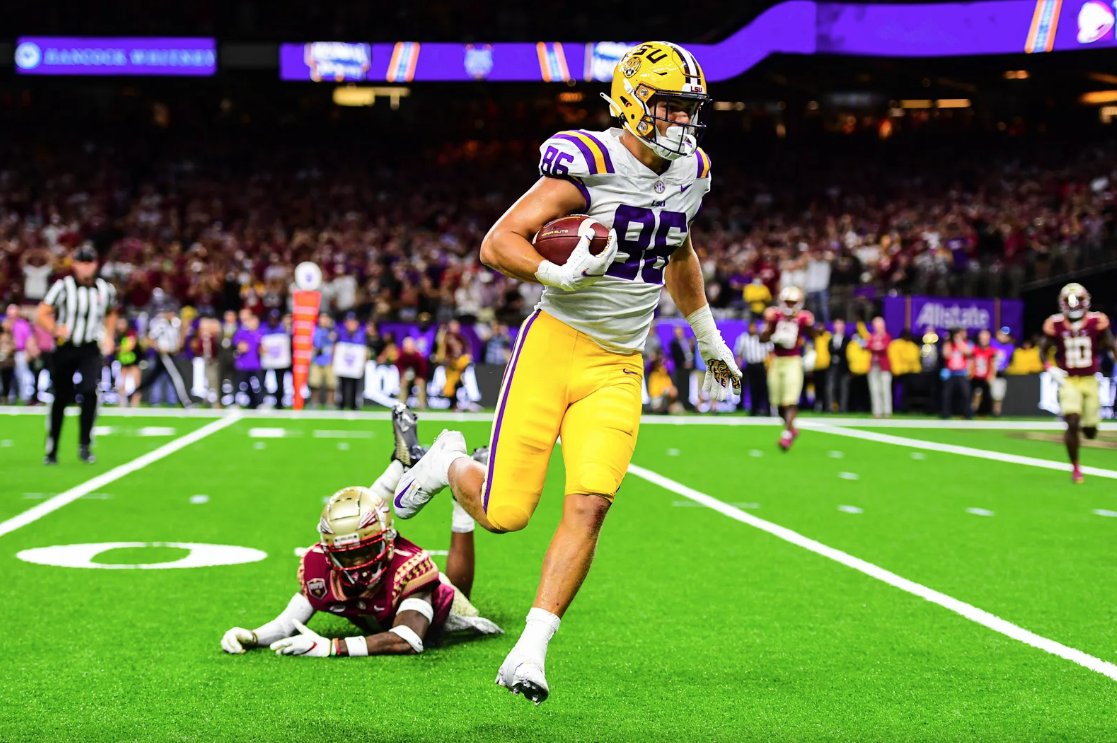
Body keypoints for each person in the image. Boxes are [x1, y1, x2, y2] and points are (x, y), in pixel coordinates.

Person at [391, 41, 739, 704]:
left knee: (591, 501)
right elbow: (498, 242)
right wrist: (554, 271)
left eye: (688, 108)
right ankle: (446, 463)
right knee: (504, 513)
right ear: (633, 100)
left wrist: (708, 336)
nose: (680, 122)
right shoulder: (590, 161)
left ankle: (531, 648)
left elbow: (681, 252)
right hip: (555, 343)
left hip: (618, 364)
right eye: (669, 106)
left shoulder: (692, 169)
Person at [220, 407, 501, 659]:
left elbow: (408, 638)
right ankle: (399, 467)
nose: (357, 564)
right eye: (347, 554)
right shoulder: (320, 564)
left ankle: (459, 501)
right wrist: (253, 635)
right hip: (375, 594)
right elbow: (286, 624)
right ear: (330, 551)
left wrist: (334, 647)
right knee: (360, 520)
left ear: (388, 541)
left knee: (460, 595)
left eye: (364, 551)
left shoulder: (410, 567)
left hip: (440, 612)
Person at [36, 244, 117, 464]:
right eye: (82, 262)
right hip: (65, 346)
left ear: (96, 264)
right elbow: (42, 312)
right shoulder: (63, 287)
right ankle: (52, 448)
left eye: (89, 262)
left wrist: (109, 336)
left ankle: (85, 444)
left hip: (90, 346)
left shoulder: (104, 289)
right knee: (61, 396)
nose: (86, 267)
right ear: (74, 264)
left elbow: (111, 313)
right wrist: (54, 329)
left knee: (90, 391)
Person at [1039, 283, 1116, 484]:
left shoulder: (1096, 321)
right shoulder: (1054, 324)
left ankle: (1088, 426)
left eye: (1077, 300)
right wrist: (1049, 367)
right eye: (1069, 301)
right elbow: (1042, 350)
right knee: (1072, 420)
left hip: (1090, 379)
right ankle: (1075, 467)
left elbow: (1110, 343)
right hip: (1068, 380)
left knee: (1090, 431)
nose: (1073, 305)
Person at [761, 286, 814, 450]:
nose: (790, 306)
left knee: (790, 400)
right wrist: (771, 331)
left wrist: (810, 327)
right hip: (776, 360)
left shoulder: (804, 318)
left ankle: (786, 435)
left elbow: (815, 335)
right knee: (777, 402)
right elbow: (762, 339)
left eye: (793, 303)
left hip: (793, 360)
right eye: (788, 302)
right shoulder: (775, 316)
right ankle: (791, 428)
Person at [734, 319, 772, 415]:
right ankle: (754, 410)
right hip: (750, 365)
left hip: (761, 365)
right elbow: (739, 354)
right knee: (752, 388)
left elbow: (770, 352)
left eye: (754, 327)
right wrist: (738, 367)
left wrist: (769, 366)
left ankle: (767, 410)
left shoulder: (761, 337)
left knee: (764, 388)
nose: (752, 329)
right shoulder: (743, 338)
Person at [233, 311, 264, 409]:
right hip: (243, 364)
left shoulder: (260, 333)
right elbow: (238, 345)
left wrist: (262, 349)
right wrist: (240, 346)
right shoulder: (242, 333)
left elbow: (263, 350)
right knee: (240, 385)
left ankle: (259, 403)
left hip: (256, 364)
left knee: (257, 385)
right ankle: (235, 403)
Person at [941, 328, 973, 419]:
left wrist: (959, 341)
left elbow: (968, 352)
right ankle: (945, 413)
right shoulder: (948, 344)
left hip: (962, 373)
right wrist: (949, 342)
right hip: (950, 373)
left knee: (966, 394)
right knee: (946, 394)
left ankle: (967, 413)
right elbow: (945, 354)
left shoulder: (966, 343)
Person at [864, 316, 892, 418]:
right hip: (873, 366)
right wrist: (876, 346)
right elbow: (868, 346)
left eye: (879, 325)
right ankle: (877, 411)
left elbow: (884, 348)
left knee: (885, 389)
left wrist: (876, 347)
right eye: (876, 325)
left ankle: (887, 411)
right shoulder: (872, 336)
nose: (878, 327)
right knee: (874, 389)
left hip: (884, 367)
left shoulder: (887, 336)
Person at [668, 325, 696, 411]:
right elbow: (675, 356)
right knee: (680, 386)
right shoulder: (673, 343)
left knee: (688, 386)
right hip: (680, 368)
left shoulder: (687, 341)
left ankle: (687, 403)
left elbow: (690, 353)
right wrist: (683, 364)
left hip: (689, 368)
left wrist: (692, 347)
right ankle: (682, 403)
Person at [970, 329, 997, 416]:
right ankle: (973, 410)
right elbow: (970, 362)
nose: (984, 339)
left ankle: (987, 412)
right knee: (976, 394)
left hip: (986, 377)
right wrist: (970, 372)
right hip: (975, 377)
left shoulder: (992, 351)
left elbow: (993, 364)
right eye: (982, 337)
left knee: (988, 395)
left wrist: (992, 375)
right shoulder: (974, 349)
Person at [827, 318, 851, 413]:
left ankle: (843, 408)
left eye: (840, 324)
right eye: (837, 324)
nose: (839, 326)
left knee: (844, 388)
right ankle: (830, 407)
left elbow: (846, 351)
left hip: (844, 367)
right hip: (832, 366)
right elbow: (829, 350)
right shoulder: (830, 338)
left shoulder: (847, 339)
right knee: (830, 387)